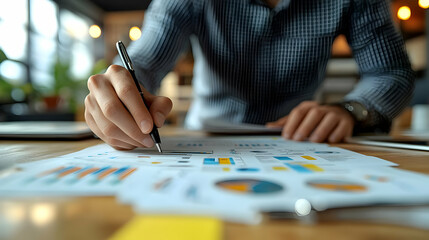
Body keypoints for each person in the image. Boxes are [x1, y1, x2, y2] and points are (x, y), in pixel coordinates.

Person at [84, 0, 414, 150]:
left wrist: (350, 110)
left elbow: (391, 72)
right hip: (207, 142)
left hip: (303, 141)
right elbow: (143, 60)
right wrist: (119, 90)